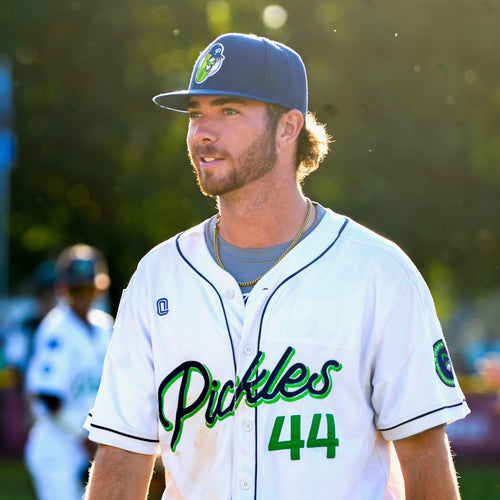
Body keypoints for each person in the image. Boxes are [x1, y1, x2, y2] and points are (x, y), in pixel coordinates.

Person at [85, 33, 470, 499]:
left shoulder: (378, 273)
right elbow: (122, 454)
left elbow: (424, 460)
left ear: (288, 128)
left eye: (228, 111)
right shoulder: (158, 276)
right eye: (195, 114)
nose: (202, 131)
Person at [25, 244, 113, 500]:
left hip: (92, 440)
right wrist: (85, 436)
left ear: (100, 287)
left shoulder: (104, 326)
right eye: (77, 288)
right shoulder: (56, 330)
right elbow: (48, 396)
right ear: (63, 288)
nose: (84, 295)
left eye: (90, 287)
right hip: (59, 444)